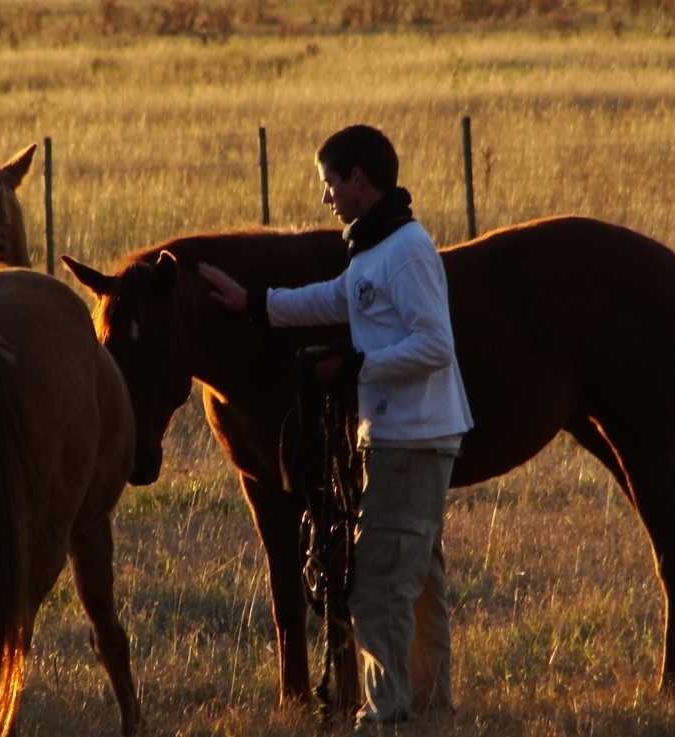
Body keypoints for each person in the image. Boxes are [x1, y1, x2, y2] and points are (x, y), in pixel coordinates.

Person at [198, 124, 473, 734]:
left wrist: (355, 366)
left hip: (412, 435)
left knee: (378, 583)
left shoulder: (406, 251)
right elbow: (334, 299)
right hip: (399, 434)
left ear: (358, 180)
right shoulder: (376, 248)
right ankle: (429, 707)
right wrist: (254, 303)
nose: (326, 198)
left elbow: (434, 344)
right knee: (419, 577)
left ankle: (385, 716)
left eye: (330, 183)